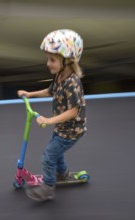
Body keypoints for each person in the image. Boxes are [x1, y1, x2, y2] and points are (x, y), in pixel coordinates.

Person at [17, 29, 87, 202]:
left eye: (52, 59)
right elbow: (49, 91)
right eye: (48, 59)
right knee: (56, 153)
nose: (48, 63)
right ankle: (62, 174)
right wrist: (30, 93)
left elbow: (73, 111)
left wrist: (49, 120)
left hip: (72, 130)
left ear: (68, 60)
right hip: (62, 128)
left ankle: (48, 188)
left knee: (48, 158)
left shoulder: (72, 82)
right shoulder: (59, 77)